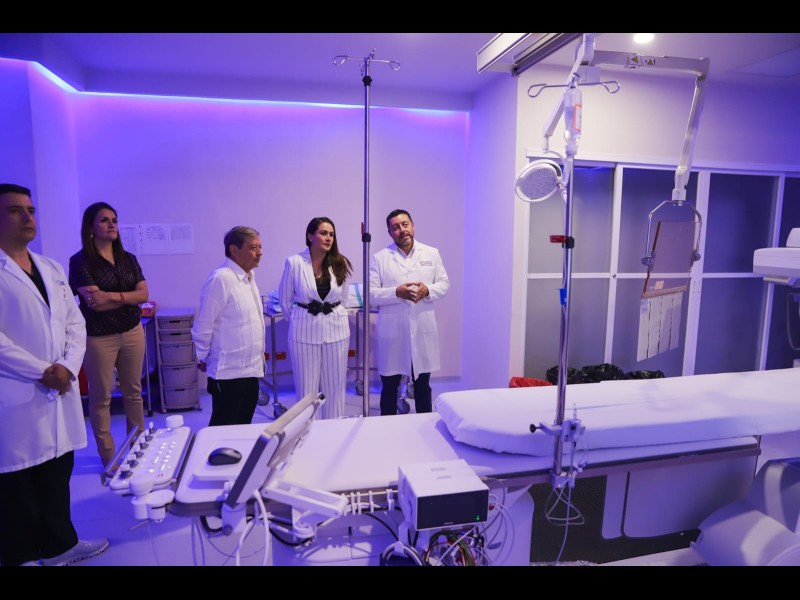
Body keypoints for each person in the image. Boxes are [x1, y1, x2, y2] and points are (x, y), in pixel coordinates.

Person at [0, 183, 109, 566]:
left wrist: (67, 366)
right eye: (15, 210)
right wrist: (43, 371)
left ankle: (60, 546)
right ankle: (20, 556)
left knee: (57, 469)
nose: (27, 217)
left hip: (59, 386)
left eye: (30, 210)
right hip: (16, 391)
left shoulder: (51, 268)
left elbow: (74, 322)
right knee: (17, 480)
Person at [69, 202, 149, 468]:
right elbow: (95, 303)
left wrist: (113, 297)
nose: (112, 224)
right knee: (101, 398)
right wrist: (128, 298)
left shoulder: (129, 259)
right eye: (104, 220)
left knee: (134, 393)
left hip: (132, 331)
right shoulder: (80, 261)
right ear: (91, 227)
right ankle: (109, 457)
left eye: (114, 219)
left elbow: (144, 294)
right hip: (99, 338)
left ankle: (138, 448)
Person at [369, 209, 450, 416]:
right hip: (393, 333)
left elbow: (444, 284)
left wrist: (427, 290)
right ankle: (385, 428)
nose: (402, 230)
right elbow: (371, 294)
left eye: (405, 224)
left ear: (413, 226)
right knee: (389, 387)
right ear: (389, 232)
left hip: (422, 330)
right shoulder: (380, 258)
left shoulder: (431, 253)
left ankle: (424, 426)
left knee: (423, 387)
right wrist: (396, 292)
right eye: (395, 227)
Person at [278, 217, 352, 419]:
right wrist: (302, 319)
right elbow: (285, 301)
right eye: (323, 233)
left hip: (337, 332)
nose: (328, 238)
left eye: (331, 234)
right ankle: (306, 429)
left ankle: (334, 426)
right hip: (304, 333)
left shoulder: (340, 262)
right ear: (310, 236)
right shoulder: (294, 263)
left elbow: (343, 299)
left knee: (335, 386)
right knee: (306, 389)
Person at [192, 226, 266, 426]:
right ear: (234, 250)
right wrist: (202, 356)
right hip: (228, 373)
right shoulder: (221, 278)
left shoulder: (249, 278)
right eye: (253, 247)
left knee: (242, 427)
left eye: (260, 247)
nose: (259, 252)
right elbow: (204, 324)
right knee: (223, 428)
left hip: (251, 370)